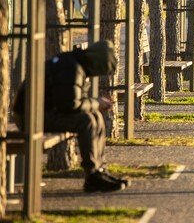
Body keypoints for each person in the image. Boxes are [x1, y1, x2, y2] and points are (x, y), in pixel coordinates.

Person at [13, 40, 129, 193]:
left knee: (95, 116)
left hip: (41, 112)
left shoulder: (75, 62)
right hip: (29, 117)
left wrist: (95, 105)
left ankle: (99, 169)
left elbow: (71, 102)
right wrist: (96, 103)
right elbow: (70, 105)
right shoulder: (72, 68)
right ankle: (93, 175)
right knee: (86, 121)